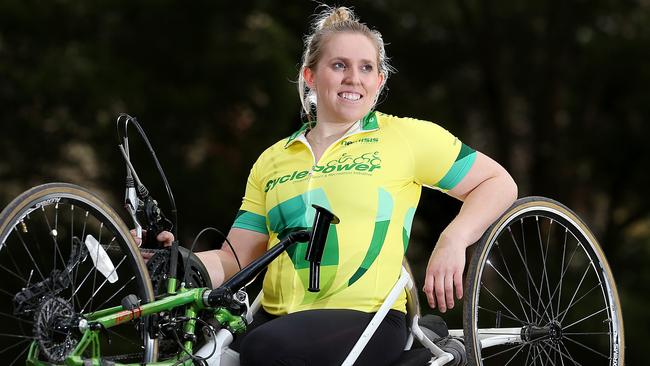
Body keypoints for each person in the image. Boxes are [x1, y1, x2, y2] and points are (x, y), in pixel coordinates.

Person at [147, 6, 517, 366]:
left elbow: (496, 182)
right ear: (310, 76)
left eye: (366, 68)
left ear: (379, 80)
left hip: (366, 318)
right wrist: (181, 262)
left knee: (265, 349)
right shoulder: (273, 159)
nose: (353, 78)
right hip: (276, 321)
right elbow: (236, 258)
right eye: (339, 65)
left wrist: (454, 239)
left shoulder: (406, 137)